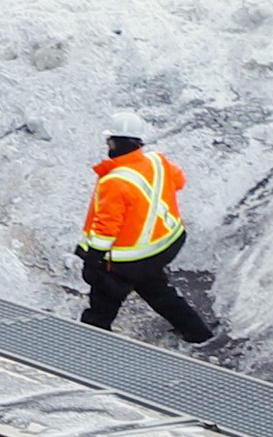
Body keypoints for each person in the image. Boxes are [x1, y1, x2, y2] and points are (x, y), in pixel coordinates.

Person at [78, 112, 214, 344]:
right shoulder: (157, 161)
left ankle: (91, 345)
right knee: (158, 292)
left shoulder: (114, 181)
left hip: (126, 261)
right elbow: (179, 181)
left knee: (102, 304)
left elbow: (106, 227)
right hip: (162, 247)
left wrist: (93, 261)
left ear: (112, 142)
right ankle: (199, 335)